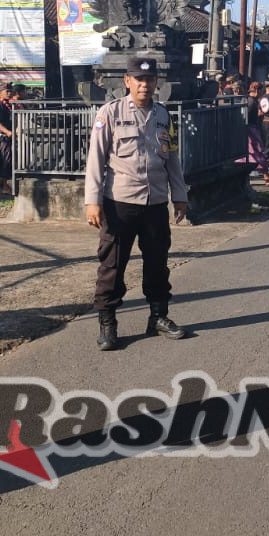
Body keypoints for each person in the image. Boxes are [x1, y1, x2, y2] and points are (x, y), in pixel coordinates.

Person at [85, 56, 189, 351]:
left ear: (157, 82)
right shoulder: (111, 113)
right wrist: (92, 201)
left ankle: (158, 316)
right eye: (138, 80)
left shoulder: (163, 115)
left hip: (155, 202)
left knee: (157, 262)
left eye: (150, 80)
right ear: (127, 82)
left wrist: (179, 195)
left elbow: (172, 158)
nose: (145, 85)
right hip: (119, 202)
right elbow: (96, 159)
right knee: (112, 265)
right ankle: (108, 322)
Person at [0, 84, 15, 196]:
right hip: (3, 137)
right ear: (1, 92)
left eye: (10, 91)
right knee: (6, 160)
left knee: (6, 160)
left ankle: (0, 179)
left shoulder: (9, 104)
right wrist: (7, 131)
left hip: (9, 137)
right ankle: (5, 186)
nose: (9, 93)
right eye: (7, 91)